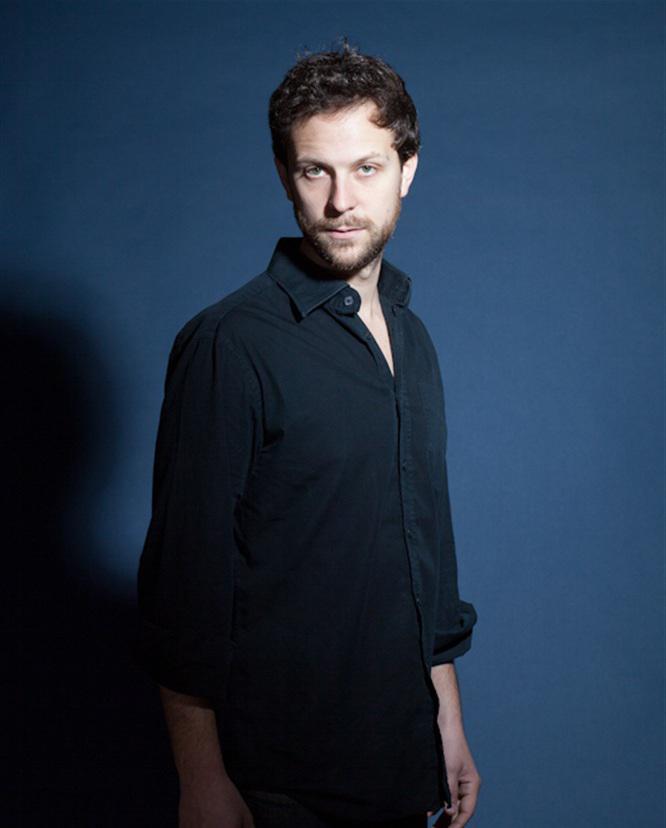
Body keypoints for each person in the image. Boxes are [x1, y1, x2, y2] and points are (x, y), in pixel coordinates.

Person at [137, 41, 480, 828]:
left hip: (403, 762)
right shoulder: (231, 343)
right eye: (314, 171)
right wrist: (200, 780)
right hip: (281, 783)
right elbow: (182, 587)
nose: (340, 202)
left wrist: (448, 723)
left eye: (366, 168)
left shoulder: (413, 339)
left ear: (408, 170)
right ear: (284, 175)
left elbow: (422, 550)